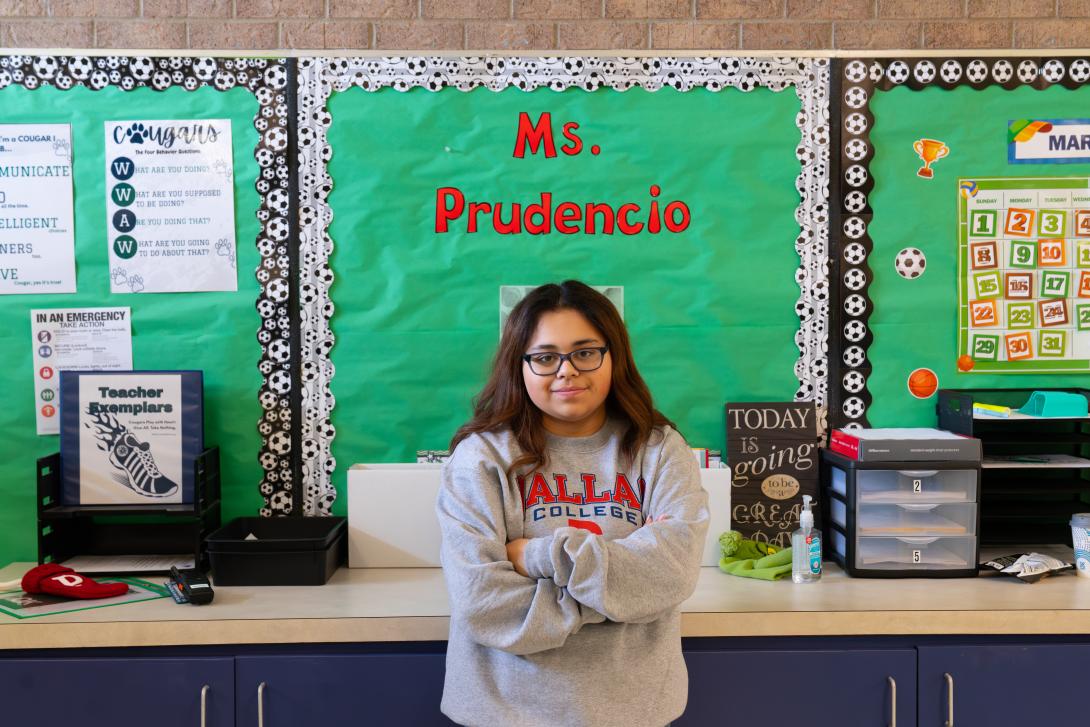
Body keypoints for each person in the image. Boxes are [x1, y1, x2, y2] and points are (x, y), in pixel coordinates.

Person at [437, 280, 710, 727]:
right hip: (505, 712)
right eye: (545, 357)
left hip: (634, 709)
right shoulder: (482, 458)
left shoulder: (659, 450)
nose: (566, 371)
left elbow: (673, 572)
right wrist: (621, 595)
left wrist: (537, 555)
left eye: (585, 352)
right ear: (520, 365)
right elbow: (481, 602)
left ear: (613, 356)